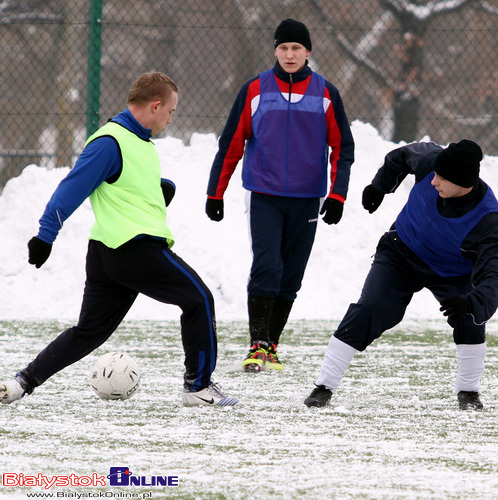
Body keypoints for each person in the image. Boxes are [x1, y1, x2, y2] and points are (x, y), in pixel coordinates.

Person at [0, 71, 238, 407]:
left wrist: (159, 191)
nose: (172, 117)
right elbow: (71, 189)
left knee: (89, 331)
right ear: (155, 106)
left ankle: (21, 383)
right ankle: (198, 388)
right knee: (198, 299)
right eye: (171, 110)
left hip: (107, 254)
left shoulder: (138, 141)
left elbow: (122, 188)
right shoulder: (109, 142)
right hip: (134, 248)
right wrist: (45, 236)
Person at [205, 19, 355, 372]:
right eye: (284, 48)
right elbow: (231, 143)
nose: (290, 54)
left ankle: (271, 347)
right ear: (275, 50)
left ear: (308, 52)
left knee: (291, 275)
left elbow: (342, 148)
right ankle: (256, 344)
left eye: (296, 48)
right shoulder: (255, 88)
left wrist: (338, 196)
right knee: (268, 265)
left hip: (307, 198)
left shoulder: (326, 93)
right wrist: (216, 192)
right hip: (264, 193)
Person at [304, 139, 498, 411]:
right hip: (401, 253)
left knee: (470, 318)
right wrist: (379, 187)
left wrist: (473, 302)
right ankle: (323, 386)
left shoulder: (488, 219)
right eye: (435, 175)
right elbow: (403, 155)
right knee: (373, 307)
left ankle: (469, 393)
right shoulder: (431, 162)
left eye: (442, 179)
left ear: (463, 182)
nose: (433, 182)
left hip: (452, 272)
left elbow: (493, 275)